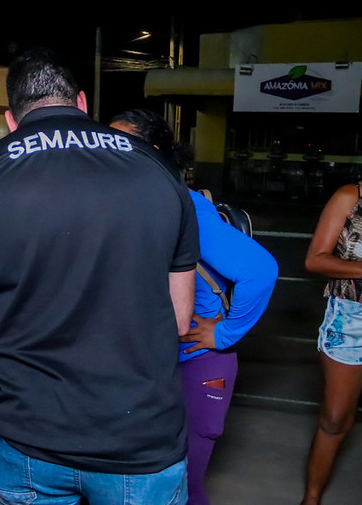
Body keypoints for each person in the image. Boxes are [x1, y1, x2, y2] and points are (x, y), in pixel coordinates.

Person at [0, 48, 200, 505]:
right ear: (81, 102)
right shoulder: (160, 172)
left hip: (26, 438)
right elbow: (179, 318)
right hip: (138, 440)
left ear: (10, 119)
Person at [111, 109, 279, 505]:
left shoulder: (183, 206)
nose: (110, 151)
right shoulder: (120, 205)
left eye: (123, 143)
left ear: (153, 152)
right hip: (146, 363)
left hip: (198, 359)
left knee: (185, 482)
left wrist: (223, 333)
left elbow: (261, 270)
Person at [300, 118, 362, 505]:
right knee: (335, 418)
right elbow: (315, 260)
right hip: (355, 316)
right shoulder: (349, 197)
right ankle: (312, 498)